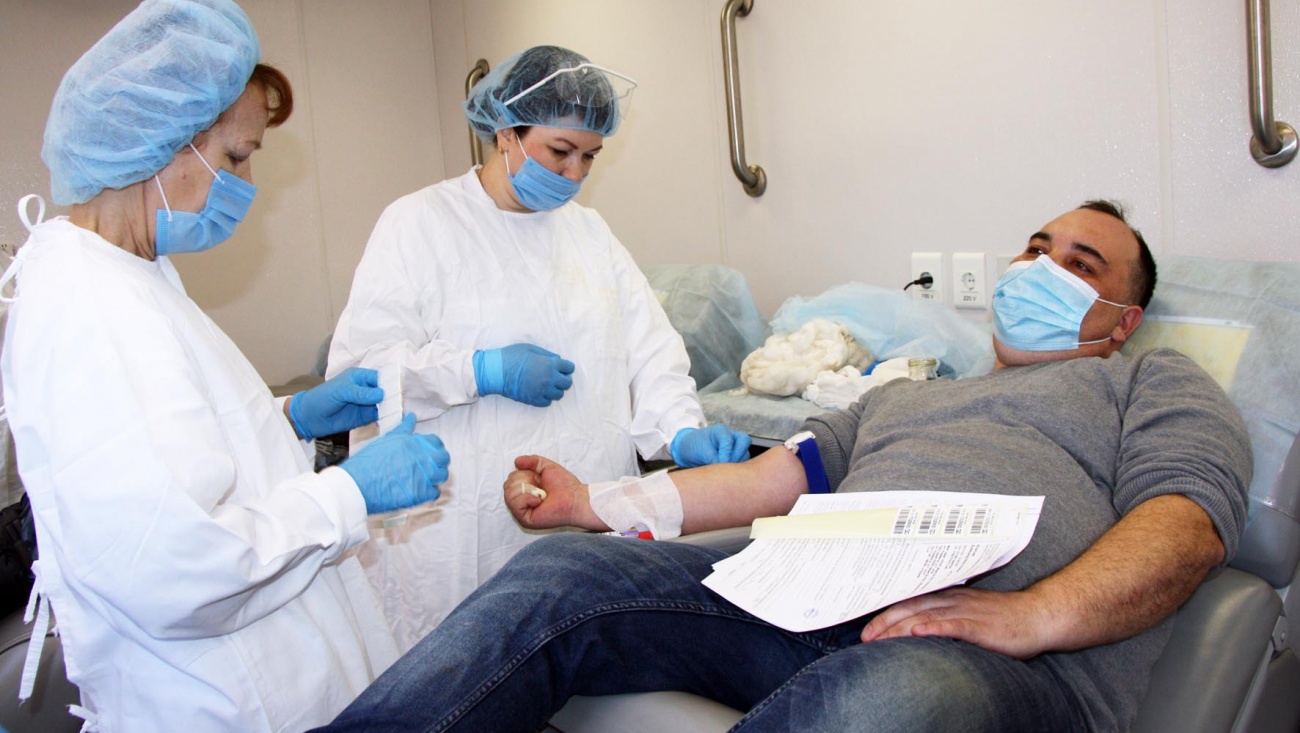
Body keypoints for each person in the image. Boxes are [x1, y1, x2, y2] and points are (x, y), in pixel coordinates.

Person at [316, 201, 1252, 732]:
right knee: (562, 573)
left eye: (1081, 264)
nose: (1041, 265)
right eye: (1036, 247)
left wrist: (1027, 615)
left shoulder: (1152, 382)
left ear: (1123, 320)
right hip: (803, 602)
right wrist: (592, 502)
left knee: (890, 694)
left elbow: (1187, 525)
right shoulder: (905, 394)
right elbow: (771, 482)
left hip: (991, 659)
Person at [1, 1, 450, 730]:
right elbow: (171, 568)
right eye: (237, 156)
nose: (246, 182)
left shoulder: (130, 274)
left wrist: (290, 419)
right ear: (160, 143)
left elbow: (168, 445)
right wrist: (349, 491)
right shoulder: (86, 306)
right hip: (219, 703)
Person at [325, 44, 752, 650]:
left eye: (590, 156)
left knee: (578, 662)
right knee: (465, 666)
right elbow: (361, 374)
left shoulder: (590, 233)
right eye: (560, 151)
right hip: (460, 526)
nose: (575, 174)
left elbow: (650, 348)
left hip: (583, 509)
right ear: (506, 132)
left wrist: (680, 430)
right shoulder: (420, 222)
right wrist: (479, 371)